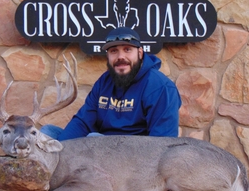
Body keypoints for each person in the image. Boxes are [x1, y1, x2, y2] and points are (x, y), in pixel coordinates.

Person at [41, 27, 181, 140]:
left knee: (93, 140)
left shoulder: (161, 87)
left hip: (134, 160)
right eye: (114, 51)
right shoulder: (104, 82)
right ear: (108, 56)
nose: (121, 57)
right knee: (46, 133)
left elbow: (163, 143)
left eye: (127, 50)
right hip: (99, 147)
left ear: (140, 53)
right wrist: (62, 147)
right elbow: (83, 122)